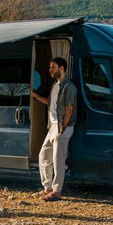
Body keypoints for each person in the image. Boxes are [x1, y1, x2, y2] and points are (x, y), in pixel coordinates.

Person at [30, 57, 77, 202]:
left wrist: (62, 129)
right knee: (44, 156)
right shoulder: (55, 85)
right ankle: (48, 188)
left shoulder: (69, 87)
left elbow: (69, 109)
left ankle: (57, 191)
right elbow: (50, 103)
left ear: (61, 69)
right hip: (53, 126)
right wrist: (35, 95)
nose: (50, 70)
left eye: (53, 67)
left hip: (62, 126)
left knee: (58, 160)